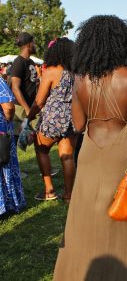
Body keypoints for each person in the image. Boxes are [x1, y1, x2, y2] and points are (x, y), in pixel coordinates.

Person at [53, 15, 127, 281]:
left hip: (91, 151)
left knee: (86, 210)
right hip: (123, 151)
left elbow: (78, 124)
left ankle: (78, 270)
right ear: (123, 44)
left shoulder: (81, 80)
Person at [27, 38, 77, 202]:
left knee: (41, 149)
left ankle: (49, 190)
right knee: (67, 156)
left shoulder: (51, 71)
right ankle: (69, 195)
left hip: (52, 118)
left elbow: (40, 101)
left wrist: (31, 114)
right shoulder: (76, 73)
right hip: (72, 118)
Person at [0, 77, 26, 216]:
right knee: (5, 164)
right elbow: (8, 106)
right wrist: (7, 119)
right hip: (2, 131)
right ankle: (6, 205)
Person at [11, 32, 39, 143]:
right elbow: (15, 88)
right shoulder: (18, 62)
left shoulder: (31, 61)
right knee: (15, 141)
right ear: (28, 44)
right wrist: (27, 109)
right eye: (33, 42)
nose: (35, 45)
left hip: (29, 107)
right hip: (20, 109)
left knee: (27, 140)